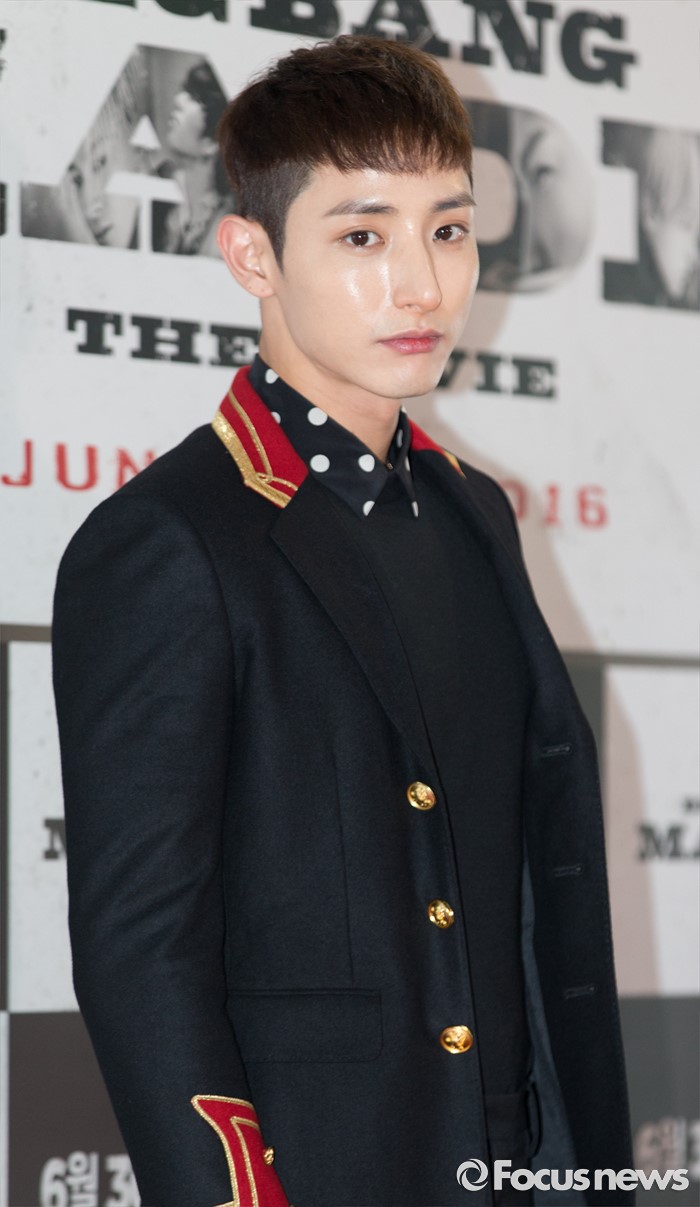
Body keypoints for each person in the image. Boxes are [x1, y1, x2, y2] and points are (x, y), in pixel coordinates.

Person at [52, 35, 634, 1207]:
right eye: (362, 237)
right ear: (252, 255)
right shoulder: (171, 540)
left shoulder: (474, 513)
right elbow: (142, 953)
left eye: (448, 230)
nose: (419, 284)